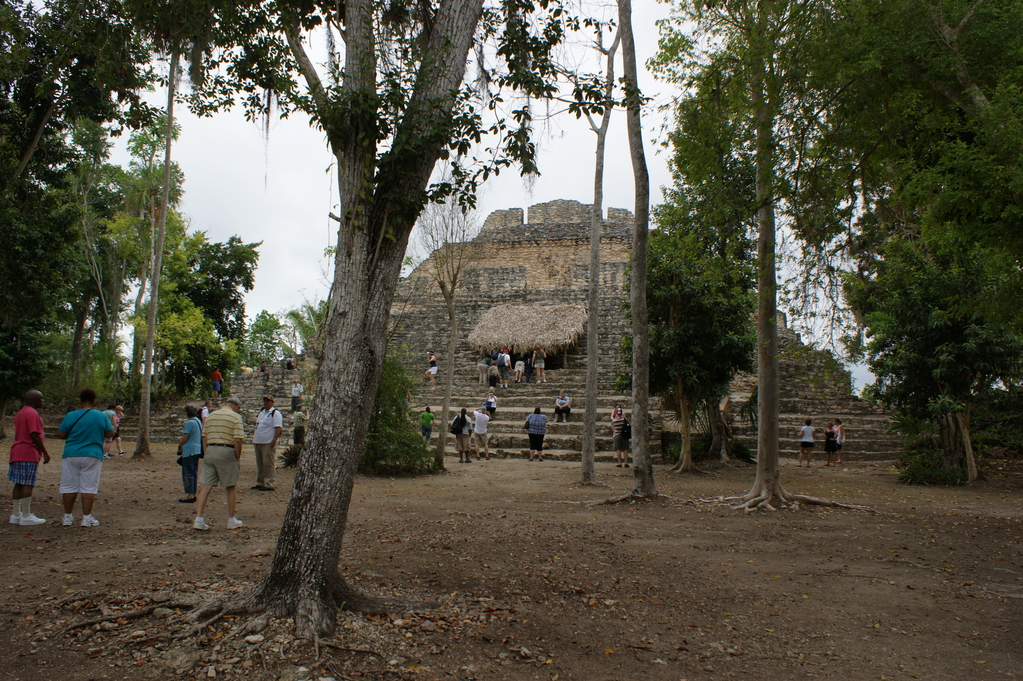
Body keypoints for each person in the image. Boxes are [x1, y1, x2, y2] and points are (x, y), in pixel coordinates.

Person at [56, 389, 114, 527]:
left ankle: (67, 517)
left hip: (71, 453)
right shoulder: (100, 416)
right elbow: (110, 432)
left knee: (69, 486)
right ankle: (86, 518)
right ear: (94, 401)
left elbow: (60, 433)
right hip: (92, 454)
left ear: (80, 400)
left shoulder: (71, 415)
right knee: (88, 487)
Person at [193, 397, 245, 531]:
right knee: (230, 486)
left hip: (210, 449)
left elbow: (204, 436)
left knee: (206, 486)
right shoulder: (235, 417)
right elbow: (238, 439)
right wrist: (237, 456)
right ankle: (231, 519)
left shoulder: (211, 415)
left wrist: (206, 453)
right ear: (235, 407)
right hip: (227, 450)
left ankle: (199, 519)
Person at [8, 390, 51, 526]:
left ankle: (16, 514)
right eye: (41, 399)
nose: (42, 402)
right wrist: (44, 451)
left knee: (19, 482)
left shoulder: (21, 412)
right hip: (28, 451)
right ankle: (26, 515)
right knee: (28, 483)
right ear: (34, 400)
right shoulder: (32, 413)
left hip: (17, 451)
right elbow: (34, 434)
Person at [253, 395, 282, 491]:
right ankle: (260, 482)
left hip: (267, 441)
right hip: (258, 440)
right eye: (265, 401)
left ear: (272, 402)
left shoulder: (275, 413)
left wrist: (274, 440)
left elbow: (278, 427)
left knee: (268, 463)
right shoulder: (262, 412)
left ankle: (270, 483)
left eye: (268, 401)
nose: (266, 402)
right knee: (260, 462)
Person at [177, 405, 203, 503]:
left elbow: (185, 437)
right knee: (193, 472)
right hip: (196, 450)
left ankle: (190, 495)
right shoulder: (198, 421)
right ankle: (193, 493)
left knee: (187, 473)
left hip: (189, 451)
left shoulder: (190, 423)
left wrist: (179, 446)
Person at [611, 403, 629, 468]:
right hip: (624, 435)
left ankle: (619, 463)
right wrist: (624, 416)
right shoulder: (623, 420)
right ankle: (626, 462)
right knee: (625, 449)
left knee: (618, 449)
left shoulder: (614, 421)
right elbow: (628, 422)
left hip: (617, 435)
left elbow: (613, 429)